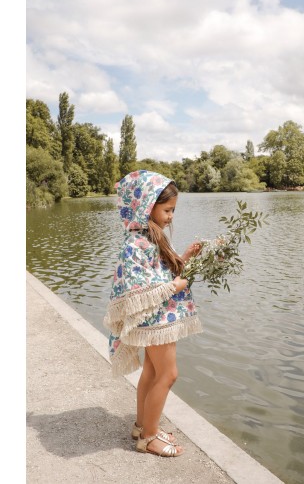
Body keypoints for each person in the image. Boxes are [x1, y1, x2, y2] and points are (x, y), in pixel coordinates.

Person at [104, 170, 203, 458]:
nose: (171, 216)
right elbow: (141, 289)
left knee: (151, 371)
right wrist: (177, 284)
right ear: (148, 205)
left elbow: (156, 274)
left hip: (158, 318)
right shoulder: (136, 243)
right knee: (169, 374)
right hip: (154, 320)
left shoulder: (149, 237)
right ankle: (148, 438)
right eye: (168, 209)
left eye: (173, 210)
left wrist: (185, 258)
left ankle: (141, 425)